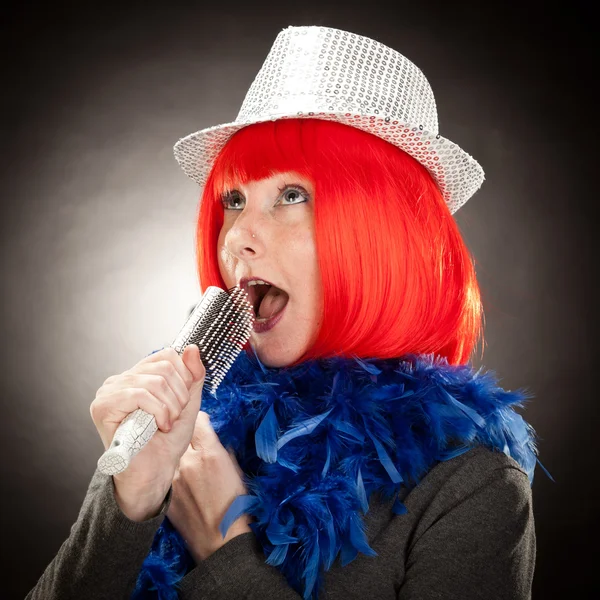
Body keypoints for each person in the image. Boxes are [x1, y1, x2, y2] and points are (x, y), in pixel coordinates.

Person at [26, 25, 551, 600]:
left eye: (292, 196)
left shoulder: (469, 487)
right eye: (233, 200)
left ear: (382, 231)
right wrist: (128, 500)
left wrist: (223, 546)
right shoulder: (183, 435)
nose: (238, 238)